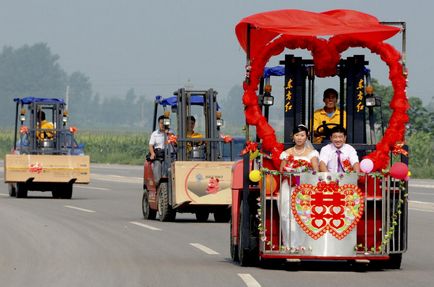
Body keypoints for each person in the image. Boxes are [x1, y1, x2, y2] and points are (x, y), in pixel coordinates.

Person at [278, 124, 319, 250]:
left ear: (306, 137)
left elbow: (315, 170)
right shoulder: (286, 153)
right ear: (293, 137)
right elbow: (281, 170)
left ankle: (303, 245)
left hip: (305, 188)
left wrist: (304, 172)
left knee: (304, 214)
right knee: (287, 214)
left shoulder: (312, 153)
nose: (299, 138)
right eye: (297, 135)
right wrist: (291, 171)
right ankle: (289, 244)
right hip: (289, 186)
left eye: (302, 135)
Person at [149, 115, 173, 184]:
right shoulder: (155, 134)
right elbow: (151, 145)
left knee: (169, 169)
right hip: (159, 156)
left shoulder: (171, 133)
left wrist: (167, 133)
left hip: (169, 155)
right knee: (157, 168)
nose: (163, 125)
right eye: (161, 123)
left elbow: (174, 143)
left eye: (164, 123)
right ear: (158, 123)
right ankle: (158, 184)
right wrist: (152, 153)